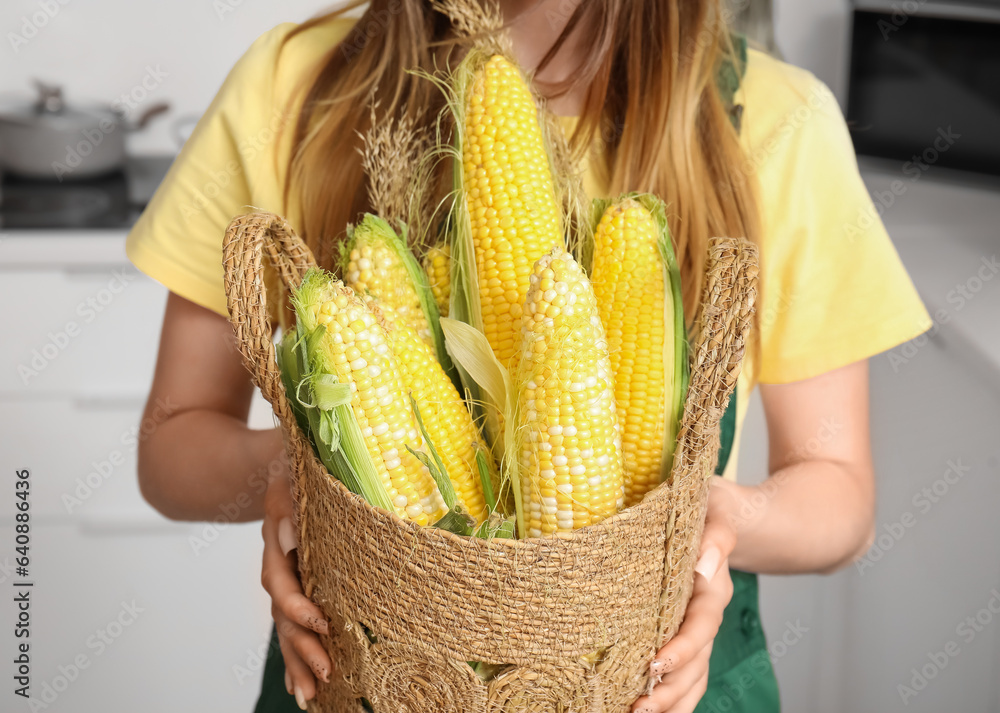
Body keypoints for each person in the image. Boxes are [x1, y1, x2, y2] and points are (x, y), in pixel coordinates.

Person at [126, 1, 931, 711]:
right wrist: (302, 481)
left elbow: (841, 500)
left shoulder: (782, 122)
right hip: (368, 677)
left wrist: (710, 523)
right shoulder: (290, 89)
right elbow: (172, 443)